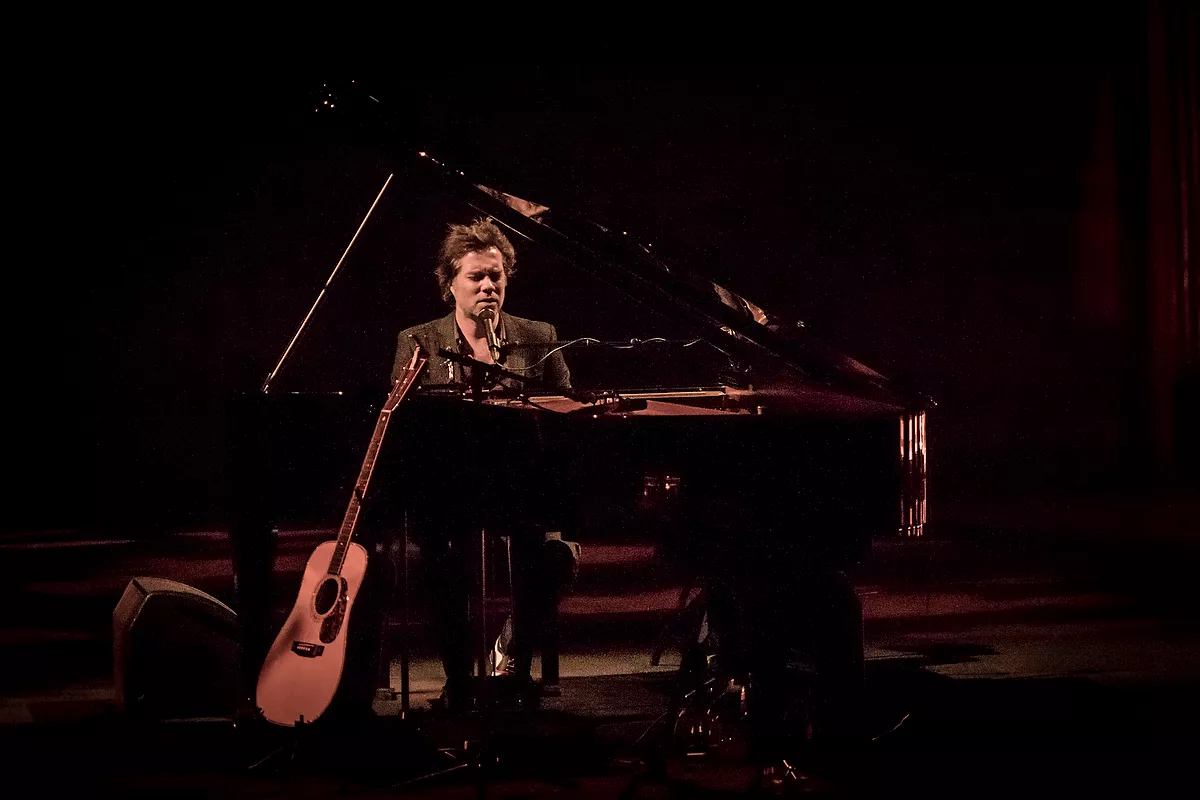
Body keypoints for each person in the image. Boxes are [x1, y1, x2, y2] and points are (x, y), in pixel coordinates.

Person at [389, 218, 571, 712]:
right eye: (476, 277)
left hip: (523, 486)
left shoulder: (538, 336)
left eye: (496, 276)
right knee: (441, 559)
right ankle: (457, 680)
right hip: (445, 488)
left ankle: (514, 664)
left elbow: (567, 413)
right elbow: (403, 422)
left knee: (550, 554)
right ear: (450, 284)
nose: (489, 286)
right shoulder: (419, 340)